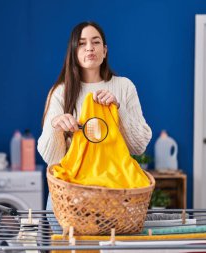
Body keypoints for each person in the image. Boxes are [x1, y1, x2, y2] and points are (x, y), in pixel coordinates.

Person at [37, 21, 152, 233]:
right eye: (81, 44)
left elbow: (139, 146)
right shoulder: (60, 92)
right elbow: (52, 159)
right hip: (69, 200)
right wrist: (56, 126)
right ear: (73, 51)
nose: (89, 47)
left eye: (95, 42)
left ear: (105, 50)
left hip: (115, 197)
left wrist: (119, 110)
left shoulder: (124, 87)